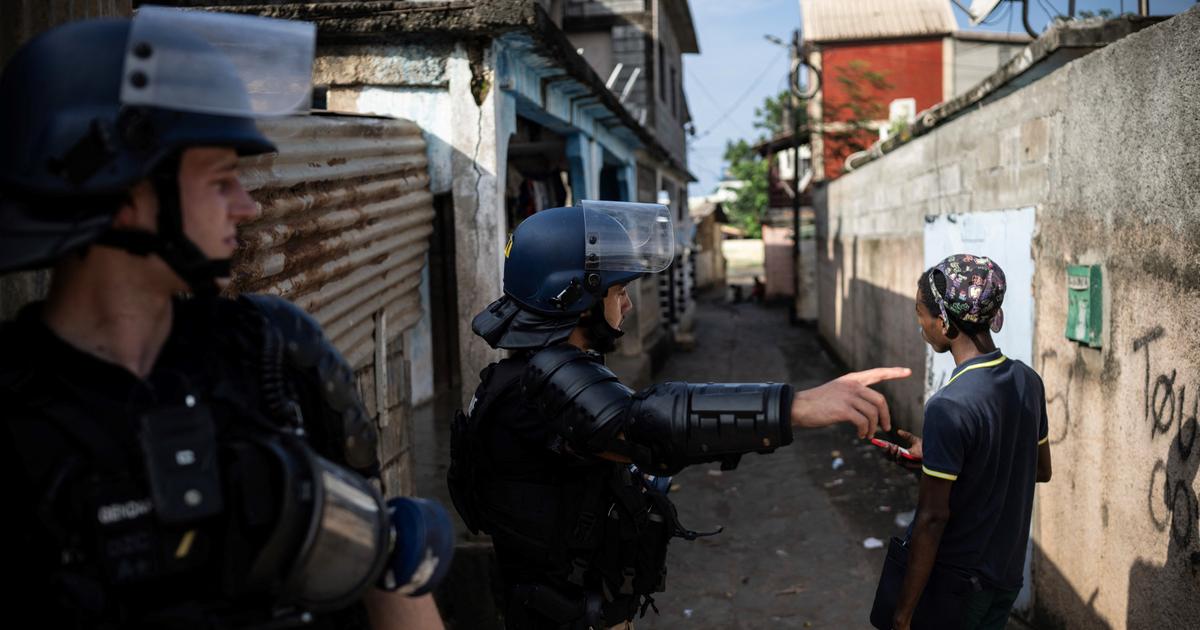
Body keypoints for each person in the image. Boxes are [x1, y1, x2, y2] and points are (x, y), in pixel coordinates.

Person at [0, 8, 451, 629]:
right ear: (128, 196)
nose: (245, 206)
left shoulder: (274, 355)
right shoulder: (19, 414)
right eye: (220, 181)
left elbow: (388, 575)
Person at [449, 201, 911, 629]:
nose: (627, 303)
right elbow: (645, 425)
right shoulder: (542, 383)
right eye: (617, 290)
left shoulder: (528, 373)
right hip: (560, 614)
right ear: (575, 297)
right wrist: (795, 406)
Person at [877, 254, 1052, 630]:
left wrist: (903, 613)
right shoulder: (1028, 381)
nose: (920, 325)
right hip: (1005, 578)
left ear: (943, 322)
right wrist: (936, 461)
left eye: (920, 314)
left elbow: (933, 518)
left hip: (957, 587)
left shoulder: (948, 405)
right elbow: (1038, 469)